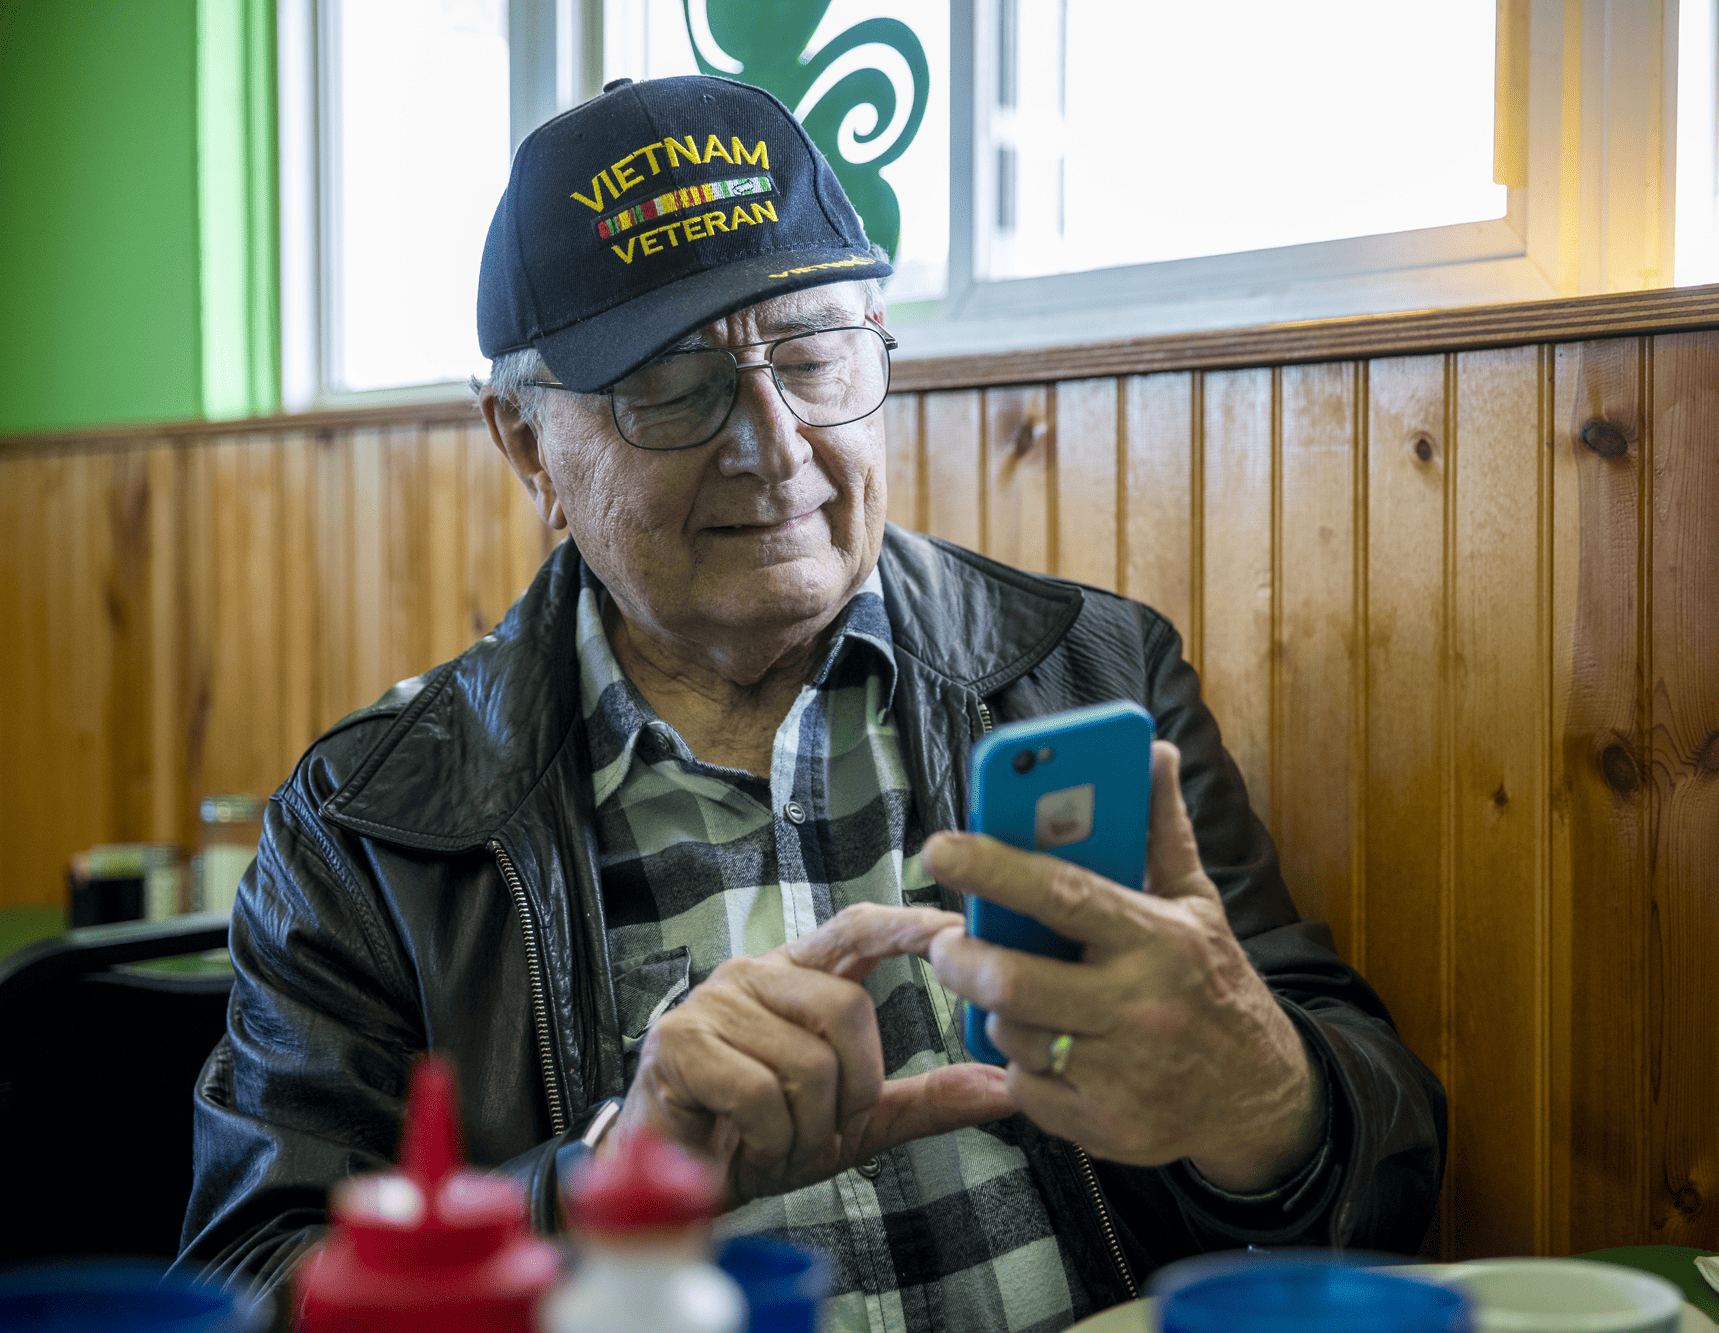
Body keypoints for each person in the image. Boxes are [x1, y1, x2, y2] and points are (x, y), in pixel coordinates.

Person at [180, 75, 1444, 1328]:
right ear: (524, 441)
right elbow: (252, 1283)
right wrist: (603, 1186)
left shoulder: (1090, 672)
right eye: (674, 386)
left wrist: (1258, 1093)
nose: (775, 444)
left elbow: (1382, 1168)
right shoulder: (368, 824)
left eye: (814, 355)